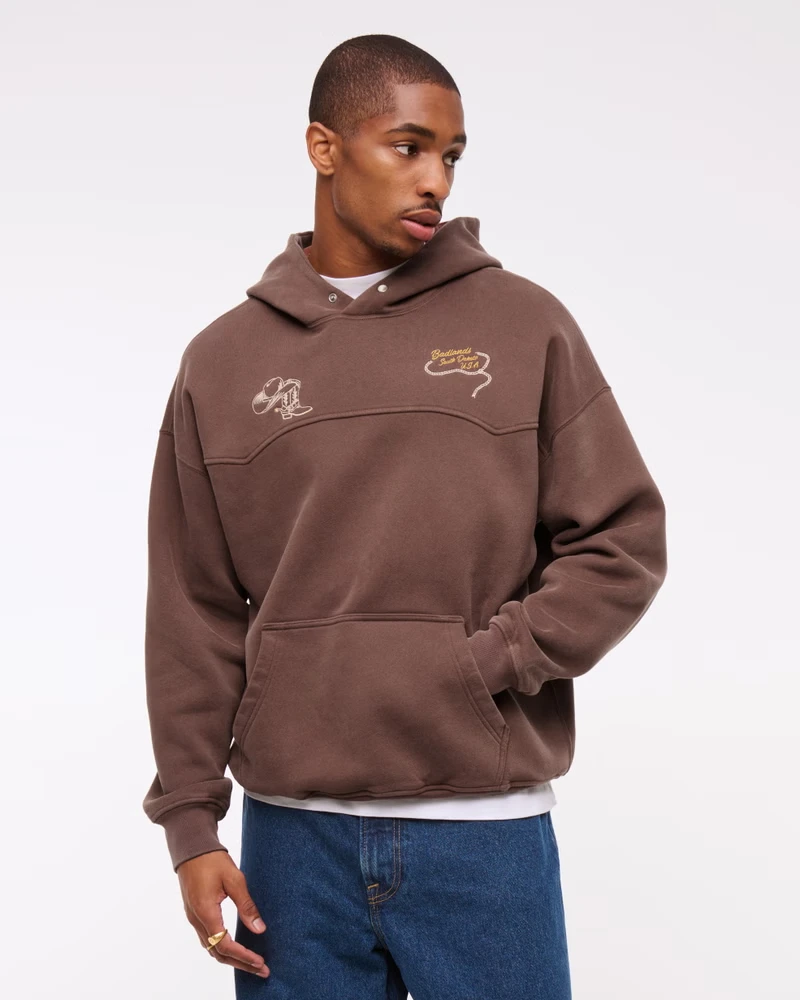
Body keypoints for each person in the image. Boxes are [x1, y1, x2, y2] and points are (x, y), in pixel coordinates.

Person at [141, 33, 668, 999]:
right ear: (324, 146)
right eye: (408, 146)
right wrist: (191, 826)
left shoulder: (524, 325)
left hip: (483, 835)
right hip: (290, 844)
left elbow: (621, 541)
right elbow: (193, 606)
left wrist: (490, 662)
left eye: (452, 155)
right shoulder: (221, 362)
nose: (436, 180)